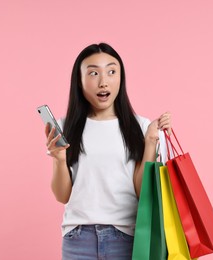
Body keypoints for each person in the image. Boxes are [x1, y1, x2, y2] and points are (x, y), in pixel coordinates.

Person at [44, 42, 172, 259]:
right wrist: (58, 159)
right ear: (79, 80)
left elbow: (143, 194)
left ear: (121, 79)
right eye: (93, 73)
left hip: (127, 238)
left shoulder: (141, 127)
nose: (103, 82)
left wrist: (151, 142)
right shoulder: (65, 126)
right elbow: (62, 195)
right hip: (78, 239)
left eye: (112, 71)